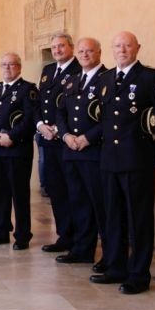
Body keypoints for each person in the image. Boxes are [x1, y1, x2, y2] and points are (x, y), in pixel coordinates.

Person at [89, 31, 155, 295]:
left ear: (137, 48)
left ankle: (138, 275)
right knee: (113, 216)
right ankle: (116, 267)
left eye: (127, 45)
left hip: (138, 161)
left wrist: (152, 153)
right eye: (118, 46)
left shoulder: (151, 78)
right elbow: (102, 121)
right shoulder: (105, 79)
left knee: (139, 220)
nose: (122, 49)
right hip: (109, 161)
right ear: (112, 50)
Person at [55, 38, 109, 270]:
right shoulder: (72, 81)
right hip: (72, 151)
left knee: (101, 205)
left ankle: (110, 255)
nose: (85, 54)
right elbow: (61, 113)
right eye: (81, 51)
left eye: (90, 51)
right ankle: (83, 249)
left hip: (94, 151)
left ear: (99, 52)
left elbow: (110, 117)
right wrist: (66, 136)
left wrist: (87, 138)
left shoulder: (108, 78)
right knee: (78, 202)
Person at [0, 52, 38, 250]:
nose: (7, 68)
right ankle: (0, 230)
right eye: (3, 64)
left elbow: (29, 119)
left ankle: (22, 235)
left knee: (19, 194)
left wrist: (11, 137)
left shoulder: (27, 89)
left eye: (11, 65)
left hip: (16, 150)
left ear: (19, 67)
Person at [36, 32, 81, 254]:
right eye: (53, 47)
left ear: (71, 47)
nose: (57, 50)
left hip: (67, 141)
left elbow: (77, 109)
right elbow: (39, 102)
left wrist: (58, 129)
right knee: (56, 190)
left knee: (73, 190)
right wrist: (40, 125)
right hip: (47, 141)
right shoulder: (47, 71)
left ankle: (78, 239)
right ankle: (64, 235)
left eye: (61, 46)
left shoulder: (79, 70)